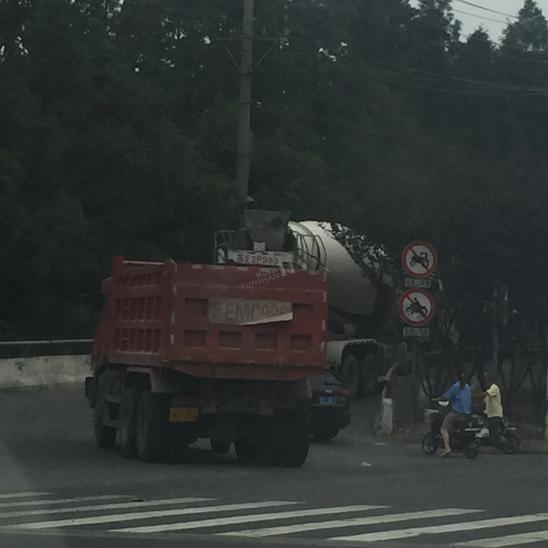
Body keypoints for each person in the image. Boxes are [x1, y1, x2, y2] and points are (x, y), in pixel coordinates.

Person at [434, 371, 472, 457]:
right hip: (466, 413)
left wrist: (436, 399)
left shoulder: (456, 386)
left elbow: (445, 397)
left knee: (443, 428)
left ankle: (447, 448)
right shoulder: (467, 386)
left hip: (456, 412)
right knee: (451, 426)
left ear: (455, 377)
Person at [479, 372, 504, 442]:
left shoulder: (494, 388)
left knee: (494, 433)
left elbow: (485, 394)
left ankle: (502, 443)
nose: (485, 383)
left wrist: (474, 396)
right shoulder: (489, 390)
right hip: (490, 415)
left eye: (486, 380)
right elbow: (484, 402)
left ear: (490, 380)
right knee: (488, 430)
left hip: (495, 414)